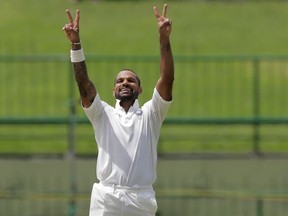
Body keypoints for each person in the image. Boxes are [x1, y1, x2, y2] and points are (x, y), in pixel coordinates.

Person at [62, 4, 174, 216]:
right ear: (113, 89)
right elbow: (84, 84)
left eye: (131, 80)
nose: (125, 83)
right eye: (120, 80)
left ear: (139, 89)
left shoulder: (152, 114)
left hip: (141, 198)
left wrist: (164, 39)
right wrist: (75, 44)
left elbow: (167, 79)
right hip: (106, 198)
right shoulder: (102, 114)